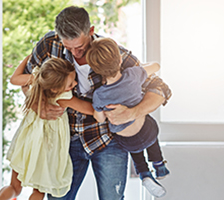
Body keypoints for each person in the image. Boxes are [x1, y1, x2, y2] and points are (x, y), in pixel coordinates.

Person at [12, 6, 172, 200]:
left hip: (107, 140)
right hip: (64, 139)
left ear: (90, 31)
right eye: (68, 47)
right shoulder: (49, 45)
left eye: (79, 47)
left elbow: (160, 88)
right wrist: (38, 105)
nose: (75, 53)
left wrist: (133, 112)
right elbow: (29, 82)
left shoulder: (111, 54)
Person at [0, 57, 94, 200]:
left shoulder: (38, 81)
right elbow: (88, 108)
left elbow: (14, 79)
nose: (76, 84)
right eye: (71, 83)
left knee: (14, 187)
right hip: (46, 147)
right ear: (55, 88)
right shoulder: (63, 97)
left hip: (26, 142)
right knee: (38, 192)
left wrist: (27, 58)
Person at [86, 37, 170, 198]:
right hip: (147, 132)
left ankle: (144, 173)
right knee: (149, 126)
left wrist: (101, 110)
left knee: (132, 145)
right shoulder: (133, 74)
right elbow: (156, 66)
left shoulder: (99, 95)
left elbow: (100, 119)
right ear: (119, 60)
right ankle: (159, 165)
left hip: (127, 141)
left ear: (95, 70)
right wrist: (141, 67)